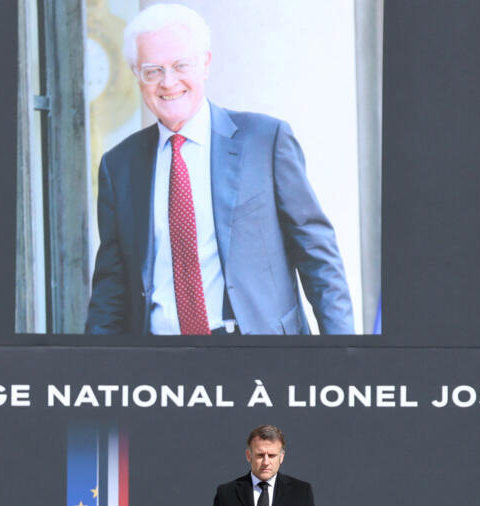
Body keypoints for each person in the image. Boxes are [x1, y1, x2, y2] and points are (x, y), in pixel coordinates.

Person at [85, 3, 353, 335]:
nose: (168, 82)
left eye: (181, 65)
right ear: (137, 75)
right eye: (152, 70)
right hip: (162, 365)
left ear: (205, 64)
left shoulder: (265, 141)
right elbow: (111, 286)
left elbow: (317, 255)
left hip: (258, 354)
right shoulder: (119, 166)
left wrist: (344, 355)